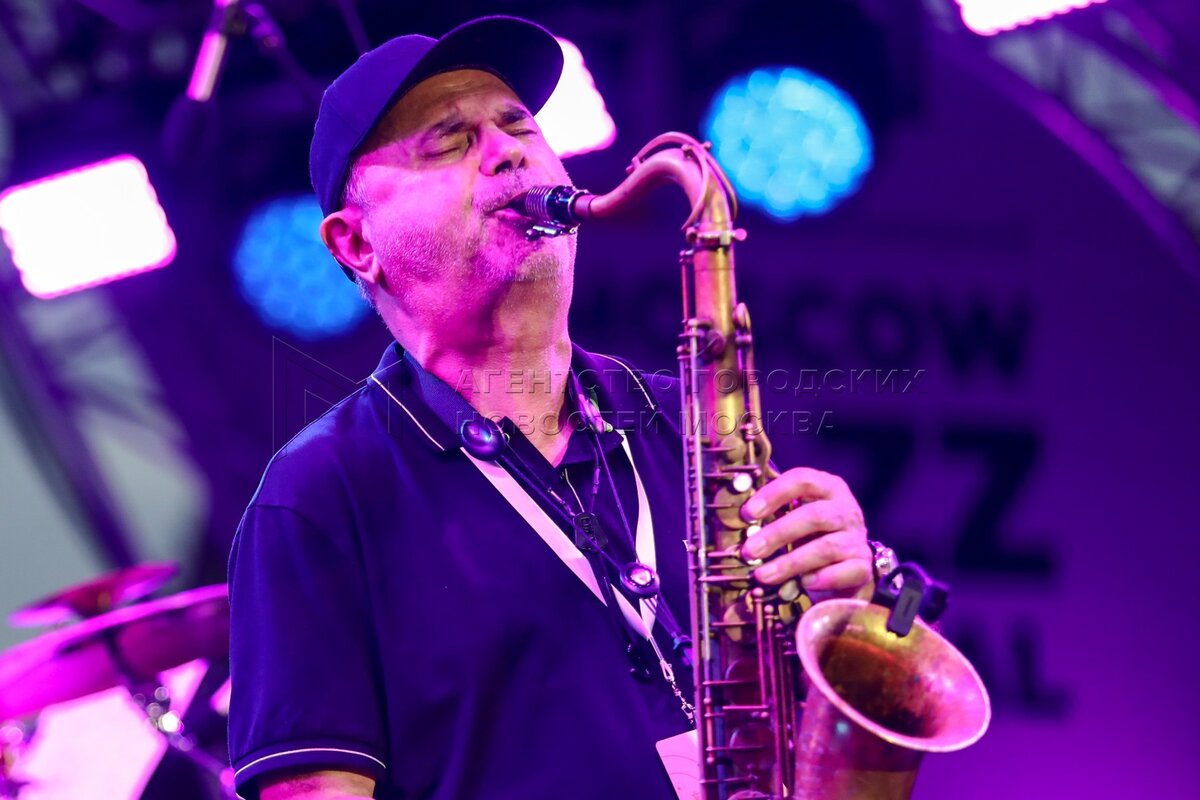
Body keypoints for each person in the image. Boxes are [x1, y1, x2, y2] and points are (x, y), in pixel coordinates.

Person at [227, 15, 876, 800]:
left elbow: (837, 696)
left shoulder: (691, 421)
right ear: (356, 245)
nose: (508, 152)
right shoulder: (316, 497)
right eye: (449, 142)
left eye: (519, 126)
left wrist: (849, 603)